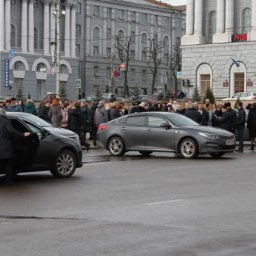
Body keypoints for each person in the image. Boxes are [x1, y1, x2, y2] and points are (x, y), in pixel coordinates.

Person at [0, 108, 30, 184]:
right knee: (9, 164)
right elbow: (12, 131)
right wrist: (22, 134)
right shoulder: (6, 122)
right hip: (5, 147)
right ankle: (8, 180)